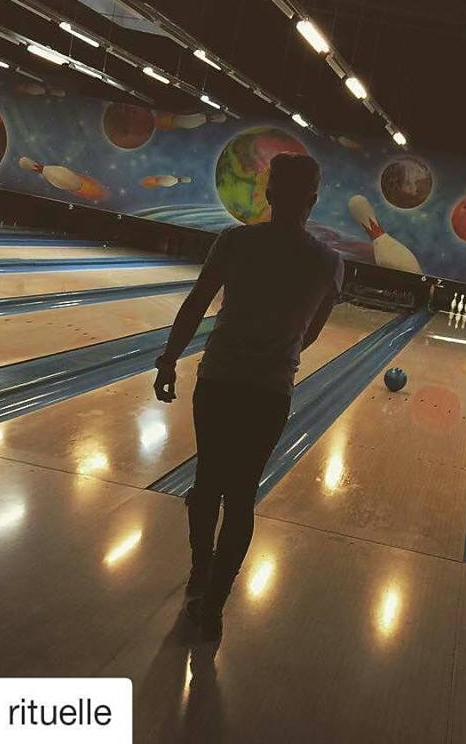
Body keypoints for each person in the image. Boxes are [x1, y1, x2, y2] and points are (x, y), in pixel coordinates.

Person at [154, 153, 343, 642]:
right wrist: (276, 352)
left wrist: (168, 359)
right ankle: (214, 607)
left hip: (218, 381)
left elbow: (196, 303)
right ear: (313, 200)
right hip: (269, 392)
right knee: (240, 497)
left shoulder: (234, 241)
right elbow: (311, 333)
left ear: (269, 194)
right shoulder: (330, 263)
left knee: (207, 484)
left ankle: (200, 571)